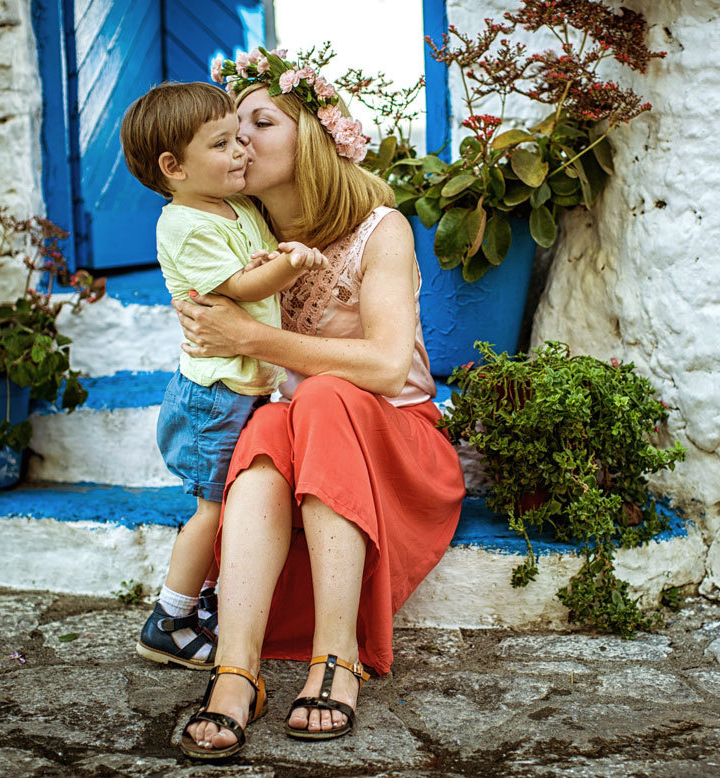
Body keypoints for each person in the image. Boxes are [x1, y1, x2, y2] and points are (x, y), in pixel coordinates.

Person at [173, 49, 466, 760]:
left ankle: (337, 656)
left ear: (313, 137)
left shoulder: (380, 228)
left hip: (397, 443)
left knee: (327, 395)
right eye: (230, 128)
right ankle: (234, 670)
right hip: (310, 444)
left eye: (261, 122)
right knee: (274, 418)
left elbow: (387, 364)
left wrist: (251, 333)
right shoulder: (245, 244)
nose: (239, 138)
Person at [118, 81, 327, 671]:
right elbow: (241, 286)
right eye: (222, 144)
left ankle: (206, 602)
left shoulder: (235, 207)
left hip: (244, 386)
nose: (241, 152)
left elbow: (249, 262)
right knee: (212, 507)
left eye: (241, 138)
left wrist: (270, 256)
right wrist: (291, 262)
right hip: (213, 396)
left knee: (240, 499)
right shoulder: (183, 224)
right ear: (173, 167)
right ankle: (170, 617)